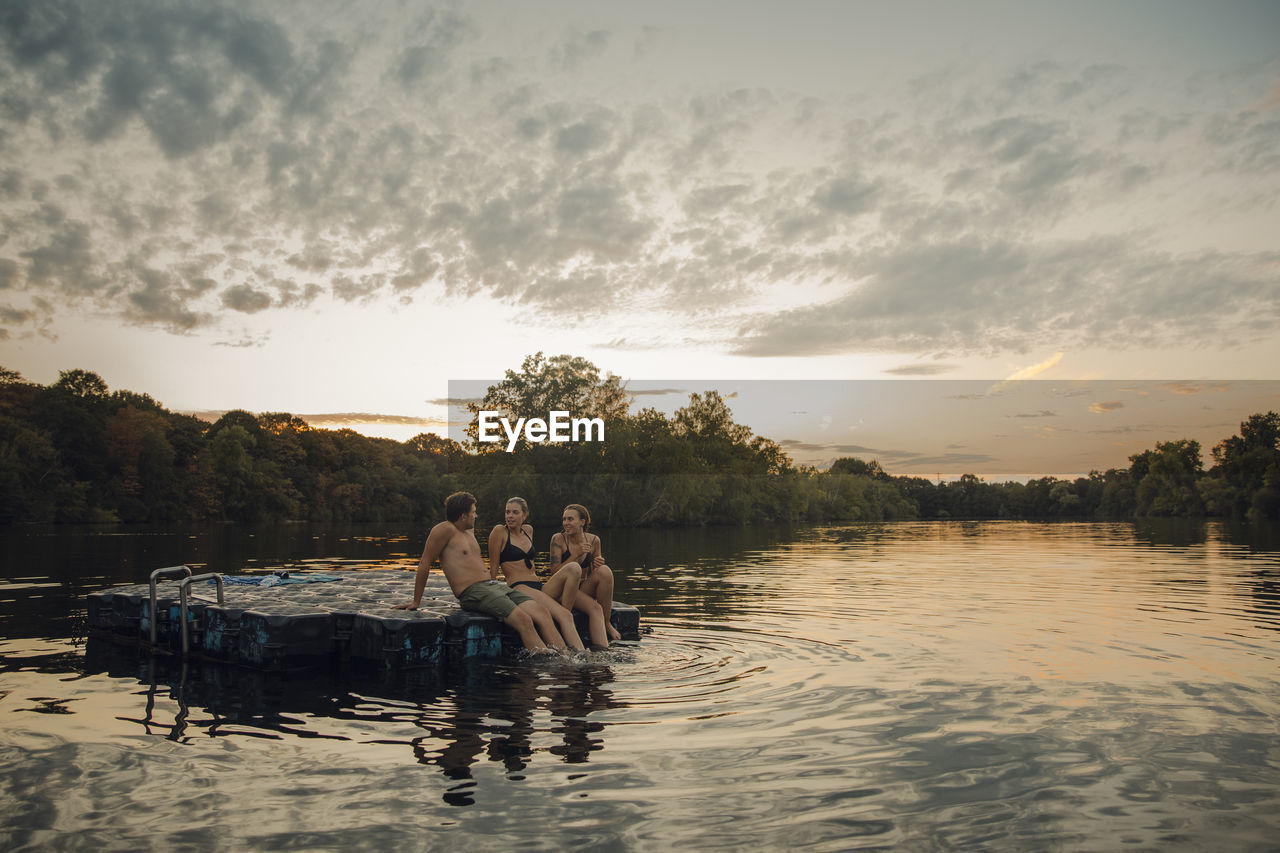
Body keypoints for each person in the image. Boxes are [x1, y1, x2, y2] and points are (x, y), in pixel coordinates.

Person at [394, 491, 567, 654]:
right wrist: (416, 601)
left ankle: (567, 657)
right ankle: (548, 664)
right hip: (472, 592)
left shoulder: (469, 530)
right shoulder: (443, 530)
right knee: (524, 619)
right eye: (473, 512)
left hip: (493, 587)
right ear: (463, 515)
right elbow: (424, 563)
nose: (476, 516)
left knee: (542, 612)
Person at [488, 496, 590, 650]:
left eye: (515, 512)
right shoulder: (499, 532)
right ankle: (573, 658)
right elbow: (493, 567)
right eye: (507, 512)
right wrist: (490, 592)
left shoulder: (528, 531)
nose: (509, 516)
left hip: (538, 587)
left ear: (524, 515)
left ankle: (579, 653)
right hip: (519, 587)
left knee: (574, 568)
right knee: (565, 616)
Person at [549, 503, 621, 643]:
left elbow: (596, 573)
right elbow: (554, 573)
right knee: (595, 608)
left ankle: (607, 623)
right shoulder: (558, 539)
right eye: (564, 519)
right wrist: (575, 555)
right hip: (563, 590)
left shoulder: (594, 540)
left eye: (570, 519)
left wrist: (597, 564)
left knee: (605, 571)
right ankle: (601, 649)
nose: (566, 523)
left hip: (582, 589)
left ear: (582, 522)